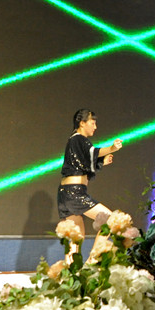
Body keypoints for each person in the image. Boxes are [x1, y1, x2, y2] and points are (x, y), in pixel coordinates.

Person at [57, 109, 122, 259]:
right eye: (92, 123)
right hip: (74, 192)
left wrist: (101, 162)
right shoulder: (78, 138)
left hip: (66, 193)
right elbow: (91, 152)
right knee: (110, 219)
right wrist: (112, 148)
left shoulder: (74, 141)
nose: (95, 127)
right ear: (82, 123)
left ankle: (73, 270)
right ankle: (92, 261)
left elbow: (83, 161)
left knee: (76, 238)